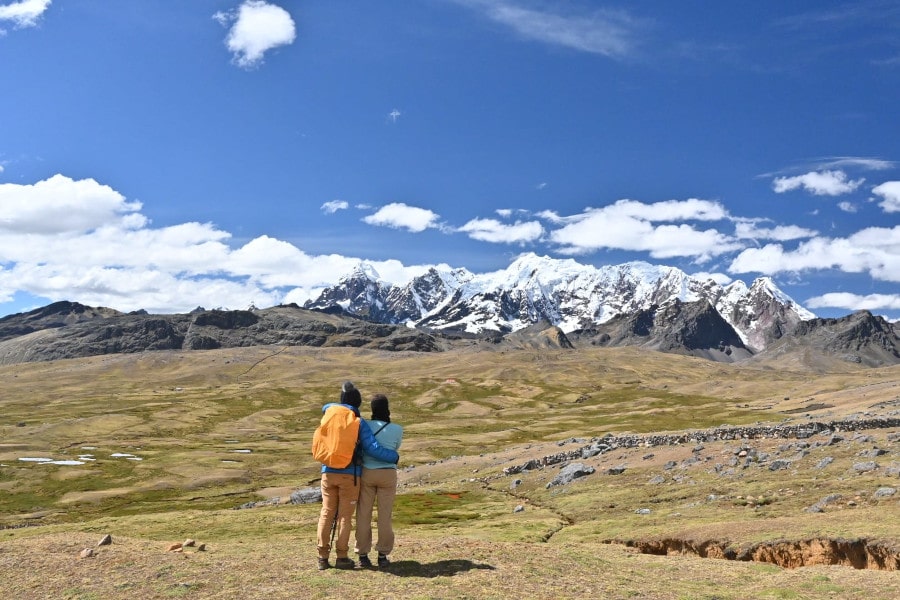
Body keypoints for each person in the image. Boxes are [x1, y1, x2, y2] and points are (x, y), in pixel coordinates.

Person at [316, 382, 399, 571]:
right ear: (357, 403)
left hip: (327, 472)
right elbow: (372, 448)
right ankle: (342, 557)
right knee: (345, 517)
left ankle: (322, 557)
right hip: (349, 475)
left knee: (327, 512)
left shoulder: (328, 415)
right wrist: (393, 457)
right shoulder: (357, 421)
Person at [355, 393, 403, 569]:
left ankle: (362, 554)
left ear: (372, 409)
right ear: (387, 407)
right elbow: (395, 448)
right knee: (385, 515)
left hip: (367, 473)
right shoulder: (398, 429)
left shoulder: (364, 425)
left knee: (363, 514)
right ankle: (382, 555)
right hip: (388, 475)